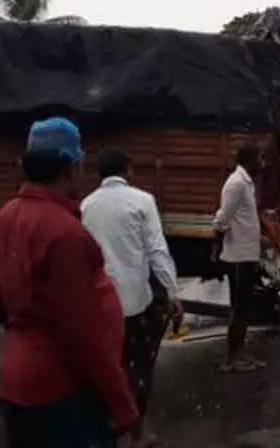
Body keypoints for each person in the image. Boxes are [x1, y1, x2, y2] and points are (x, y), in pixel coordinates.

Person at [0, 117, 141, 447]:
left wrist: (11, 302)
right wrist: (123, 407)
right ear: (71, 167)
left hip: (20, 382)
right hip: (62, 389)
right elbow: (86, 336)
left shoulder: (5, 218)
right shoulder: (66, 235)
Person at [81, 149, 181, 444]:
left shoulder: (86, 206)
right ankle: (137, 437)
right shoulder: (142, 202)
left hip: (100, 307)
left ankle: (107, 432)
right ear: (127, 171)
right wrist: (173, 294)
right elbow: (157, 251)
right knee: (140, 369)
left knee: (110, 370)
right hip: (136, 303)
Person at [212, 142, 267, 372]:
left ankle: (240, 354)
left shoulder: (246, 182)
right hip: (238, 256)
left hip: (247, 252)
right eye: (259, 158)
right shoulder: (236, 184)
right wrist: (216, 246)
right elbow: (223, 219)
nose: (262, 163)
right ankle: (231, 359)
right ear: (249, 159)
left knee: (244, 307)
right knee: (239, 308)